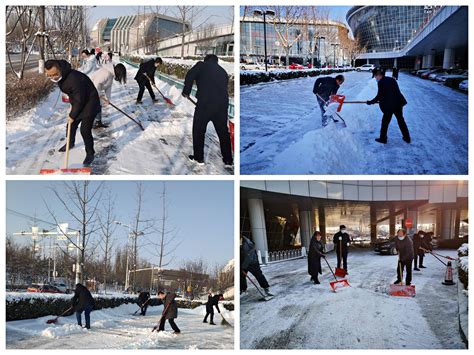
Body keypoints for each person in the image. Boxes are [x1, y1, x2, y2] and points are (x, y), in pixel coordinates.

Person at [45, 59, 101, 166]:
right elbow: (74, 96)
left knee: (85, 130)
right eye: (50, 76)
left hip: (90, 103)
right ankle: (70, 143)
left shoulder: (73, 79)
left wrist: (72, 114)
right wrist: (72, 108)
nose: (53, 78)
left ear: (60, 69)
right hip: (79, 100)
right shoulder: (63, 75)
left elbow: (80, 100)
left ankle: (90, 153)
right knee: (71, 124)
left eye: (55, 74)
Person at [182, 54, 233, 167]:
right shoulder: (223, 71)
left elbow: (190, 75)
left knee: (199, 130)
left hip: (205, 104)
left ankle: (198, 158)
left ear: (206, 60)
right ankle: (228, 160)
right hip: (222, 106)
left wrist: (186, 91)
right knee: (223, 133)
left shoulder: (201, 65)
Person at [367, 69, 411, 144]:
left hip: (390, 106)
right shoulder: (391, 79)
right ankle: (407, 138)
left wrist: (371, 102)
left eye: (375, 76)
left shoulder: (381, 82)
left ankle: (383, 139)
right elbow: (393, 92)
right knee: (401, 120)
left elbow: (379, 95)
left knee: (385, 122)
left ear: (379, 75)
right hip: (398, 103)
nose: (375, 78)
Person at [89, 63, 127, 128]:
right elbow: (96, 84)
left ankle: (98, 122)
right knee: (93, 107)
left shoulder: (110, 74)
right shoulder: (106, 73)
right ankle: (89, 124)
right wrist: (99, 95)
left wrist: (107, 99)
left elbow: (108, 88)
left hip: (95, 90)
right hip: (89, 89)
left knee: (98, 106)